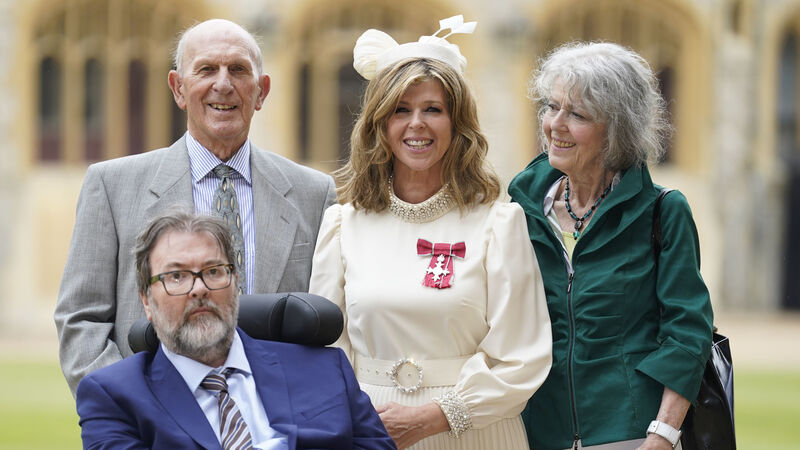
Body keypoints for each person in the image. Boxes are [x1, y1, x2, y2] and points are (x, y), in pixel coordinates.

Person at [54, 19, 336, 395]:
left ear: (261, 91)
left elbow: (328, 324)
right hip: (155, 412)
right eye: (206, 69)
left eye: (238, 70)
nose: (223, 84)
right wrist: (132, 408)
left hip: (277, 413)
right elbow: (81, 320)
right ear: (178, 88)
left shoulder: (314, 194)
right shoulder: (111, 186)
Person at [309, 15, 552, 450]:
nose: (416, 124)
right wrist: (358, 421)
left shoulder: (499, 224)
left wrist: (435, 417)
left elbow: (522, 357)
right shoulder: (342, 225)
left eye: (433, 110)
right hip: (370, 430)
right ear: (380, 124)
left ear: (458, 124)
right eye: (401, 110)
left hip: (476, 432)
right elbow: (325, 350)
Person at [507, 42, 714, 450]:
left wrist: (663, 435)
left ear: (618, 129)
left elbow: (687, 333)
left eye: (577, 114)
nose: (555, 124)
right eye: (551, 107)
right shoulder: (519, 209)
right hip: (535, 432)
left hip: (631, 434)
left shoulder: (663, 211)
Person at [76, 211, 394, 449]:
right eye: (177, 277)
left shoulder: (323, 368)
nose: (198, 289)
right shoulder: (115, 396)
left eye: (214, 271)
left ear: (235, 284)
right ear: (146, 300)